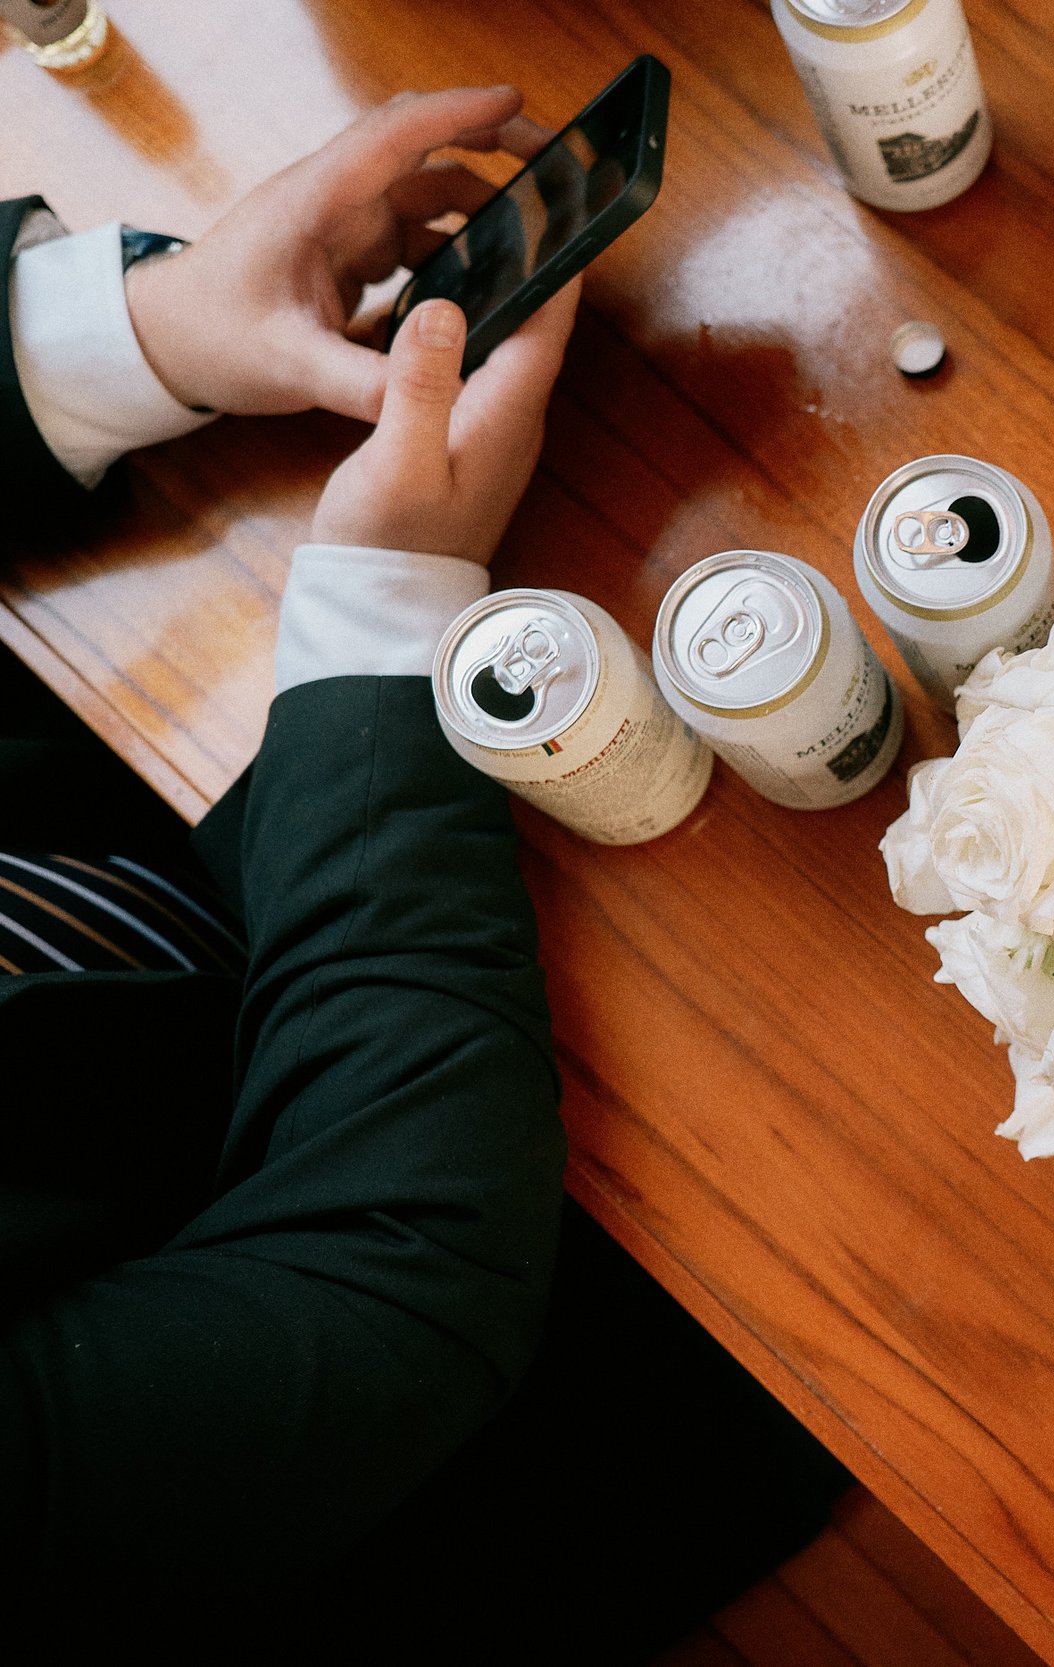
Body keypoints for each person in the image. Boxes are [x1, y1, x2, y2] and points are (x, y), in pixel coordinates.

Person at [3, 87, 840, 1653]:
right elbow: (377, 1302)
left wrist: (141, 331)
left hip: (134, 829)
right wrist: (388, 605)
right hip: (459, 1373)